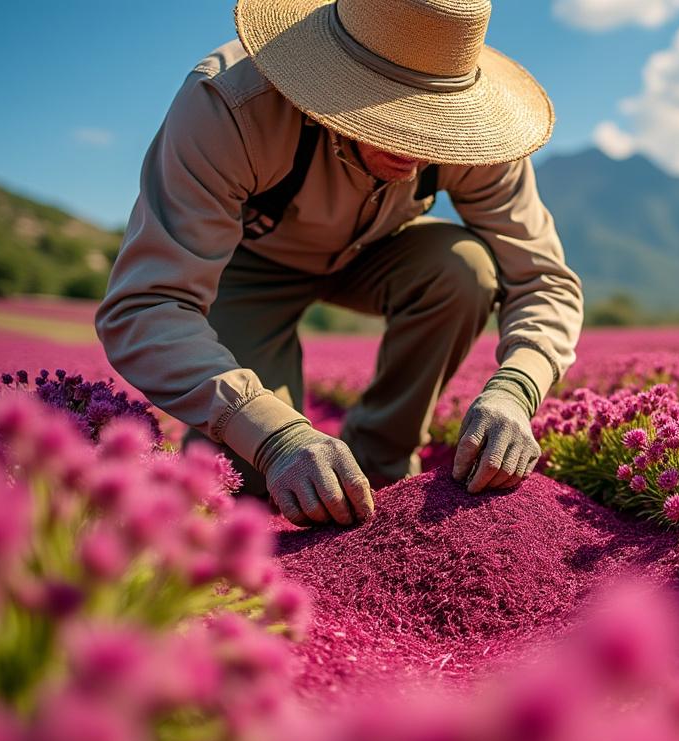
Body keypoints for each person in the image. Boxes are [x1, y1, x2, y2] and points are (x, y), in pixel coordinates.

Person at [95, 0, 583, 528]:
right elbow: (148, 304)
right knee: (250, 474)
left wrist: (517, 389)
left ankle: (381, 464)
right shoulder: (231, 105)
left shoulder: (477, 132)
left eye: (433, 122)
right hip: (248, 264)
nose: (415, 144)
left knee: (463, 268)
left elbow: (543, 280)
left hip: (374, 253)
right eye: (392, 116)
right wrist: (276, 436)